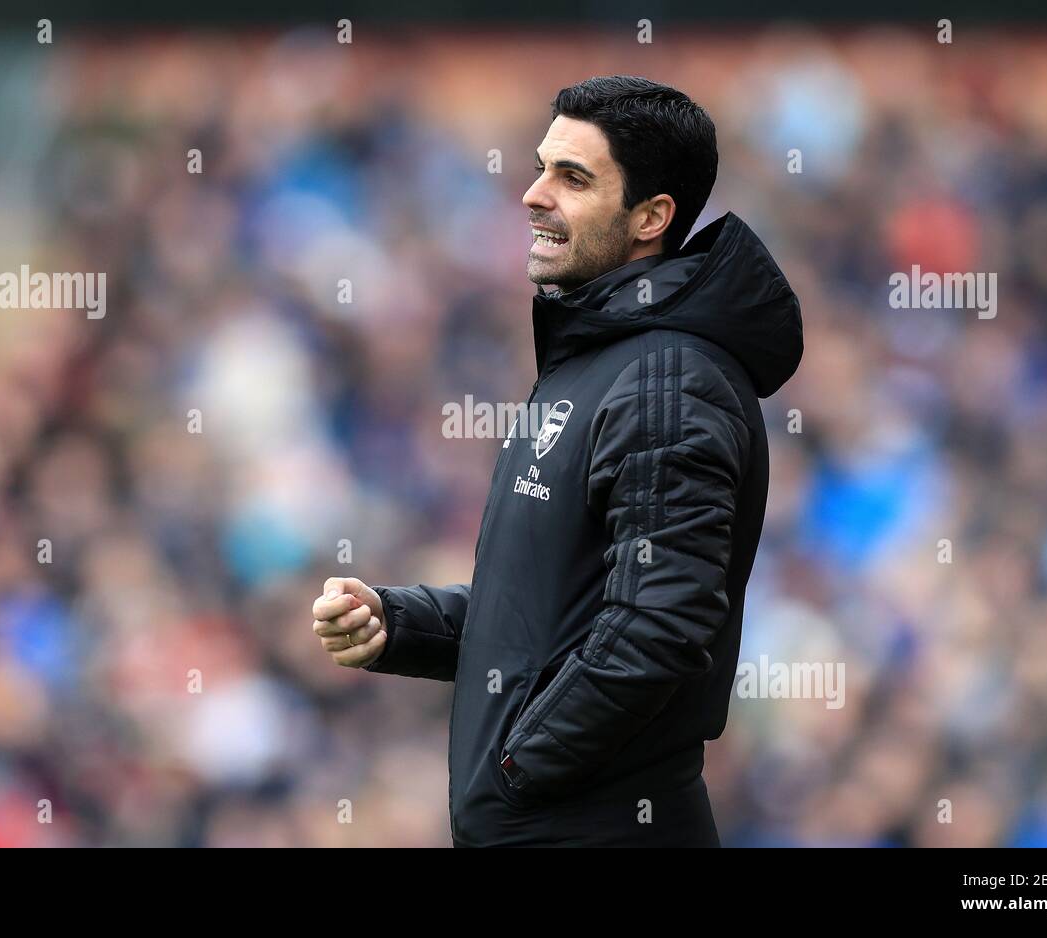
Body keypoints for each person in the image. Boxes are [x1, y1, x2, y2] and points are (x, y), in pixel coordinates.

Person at [311, 75, 803, 846]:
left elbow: (659, 625)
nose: (533, 195)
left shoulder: (668, 379)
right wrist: (400, 623)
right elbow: (549, 614)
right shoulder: (600, 358)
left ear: (651, 217)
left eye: (573, 178)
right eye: (541, 167)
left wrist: (519, 771)